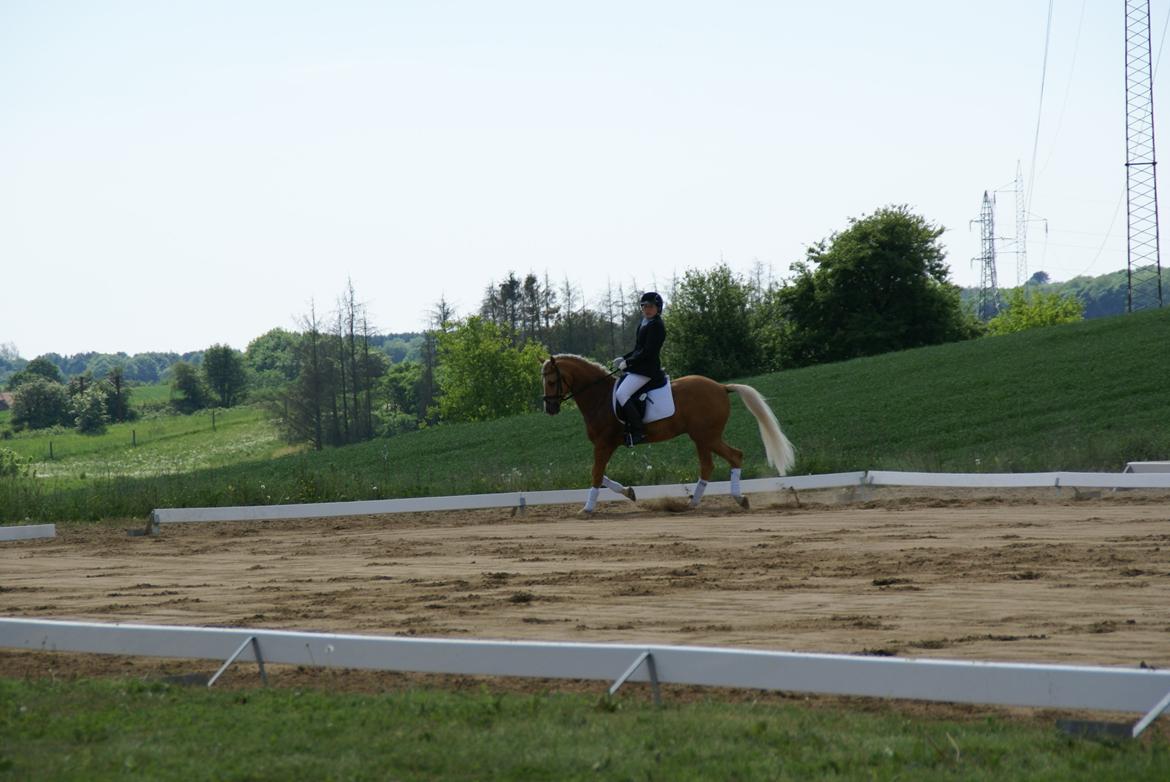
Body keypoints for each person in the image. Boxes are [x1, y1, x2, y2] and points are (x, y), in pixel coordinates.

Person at [613, 291, 666, 446]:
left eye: (650, 306)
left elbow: (648, 352)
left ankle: (638, 432)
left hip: (648, 369)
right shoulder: (644, 323)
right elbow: (638, 349)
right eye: (644, 306)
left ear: (658, 308)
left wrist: (628, 363)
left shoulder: (657, 326)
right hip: (639, 367)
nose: (646, 309)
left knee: (622, 393)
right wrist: (625, 357)